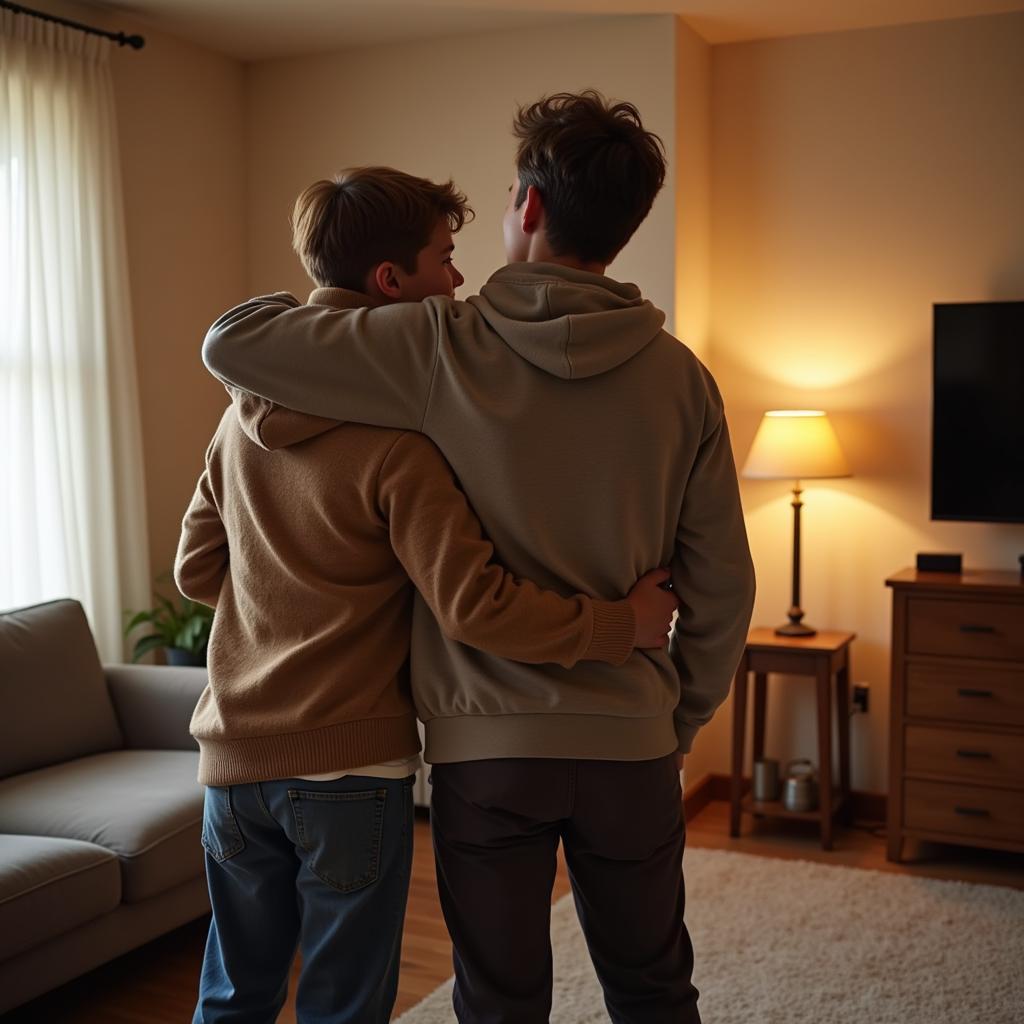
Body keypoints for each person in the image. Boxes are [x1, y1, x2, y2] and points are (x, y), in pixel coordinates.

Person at [202, 93, 756, 1024]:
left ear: (529, 209)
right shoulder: (681, 377)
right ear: (623, 227)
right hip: (631, 736)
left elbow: (236, 344)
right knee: (655, 988)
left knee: (498, 1002)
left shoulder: (437, 344)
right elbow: (723, 584)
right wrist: (678, 718)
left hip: (487, 752)